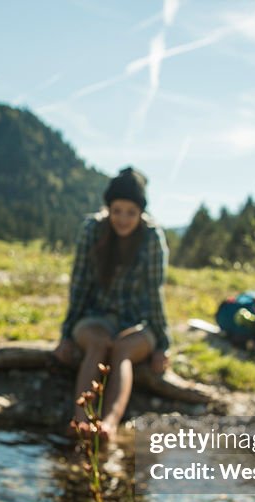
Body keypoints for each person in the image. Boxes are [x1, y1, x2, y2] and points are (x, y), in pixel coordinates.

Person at [53, 167, 171, 442]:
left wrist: (163, 346)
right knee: (98, 343)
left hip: (138, 323)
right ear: (108, 208)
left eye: (131, 212)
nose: (123, 219)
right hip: (95, 318)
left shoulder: (152, 238)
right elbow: (79, 286)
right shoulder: (92, 230)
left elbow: (155, 294)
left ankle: (108, 424)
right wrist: (66, 335)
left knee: (122, 350)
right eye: (117, 211)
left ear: (141, 212)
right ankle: (80, 420)